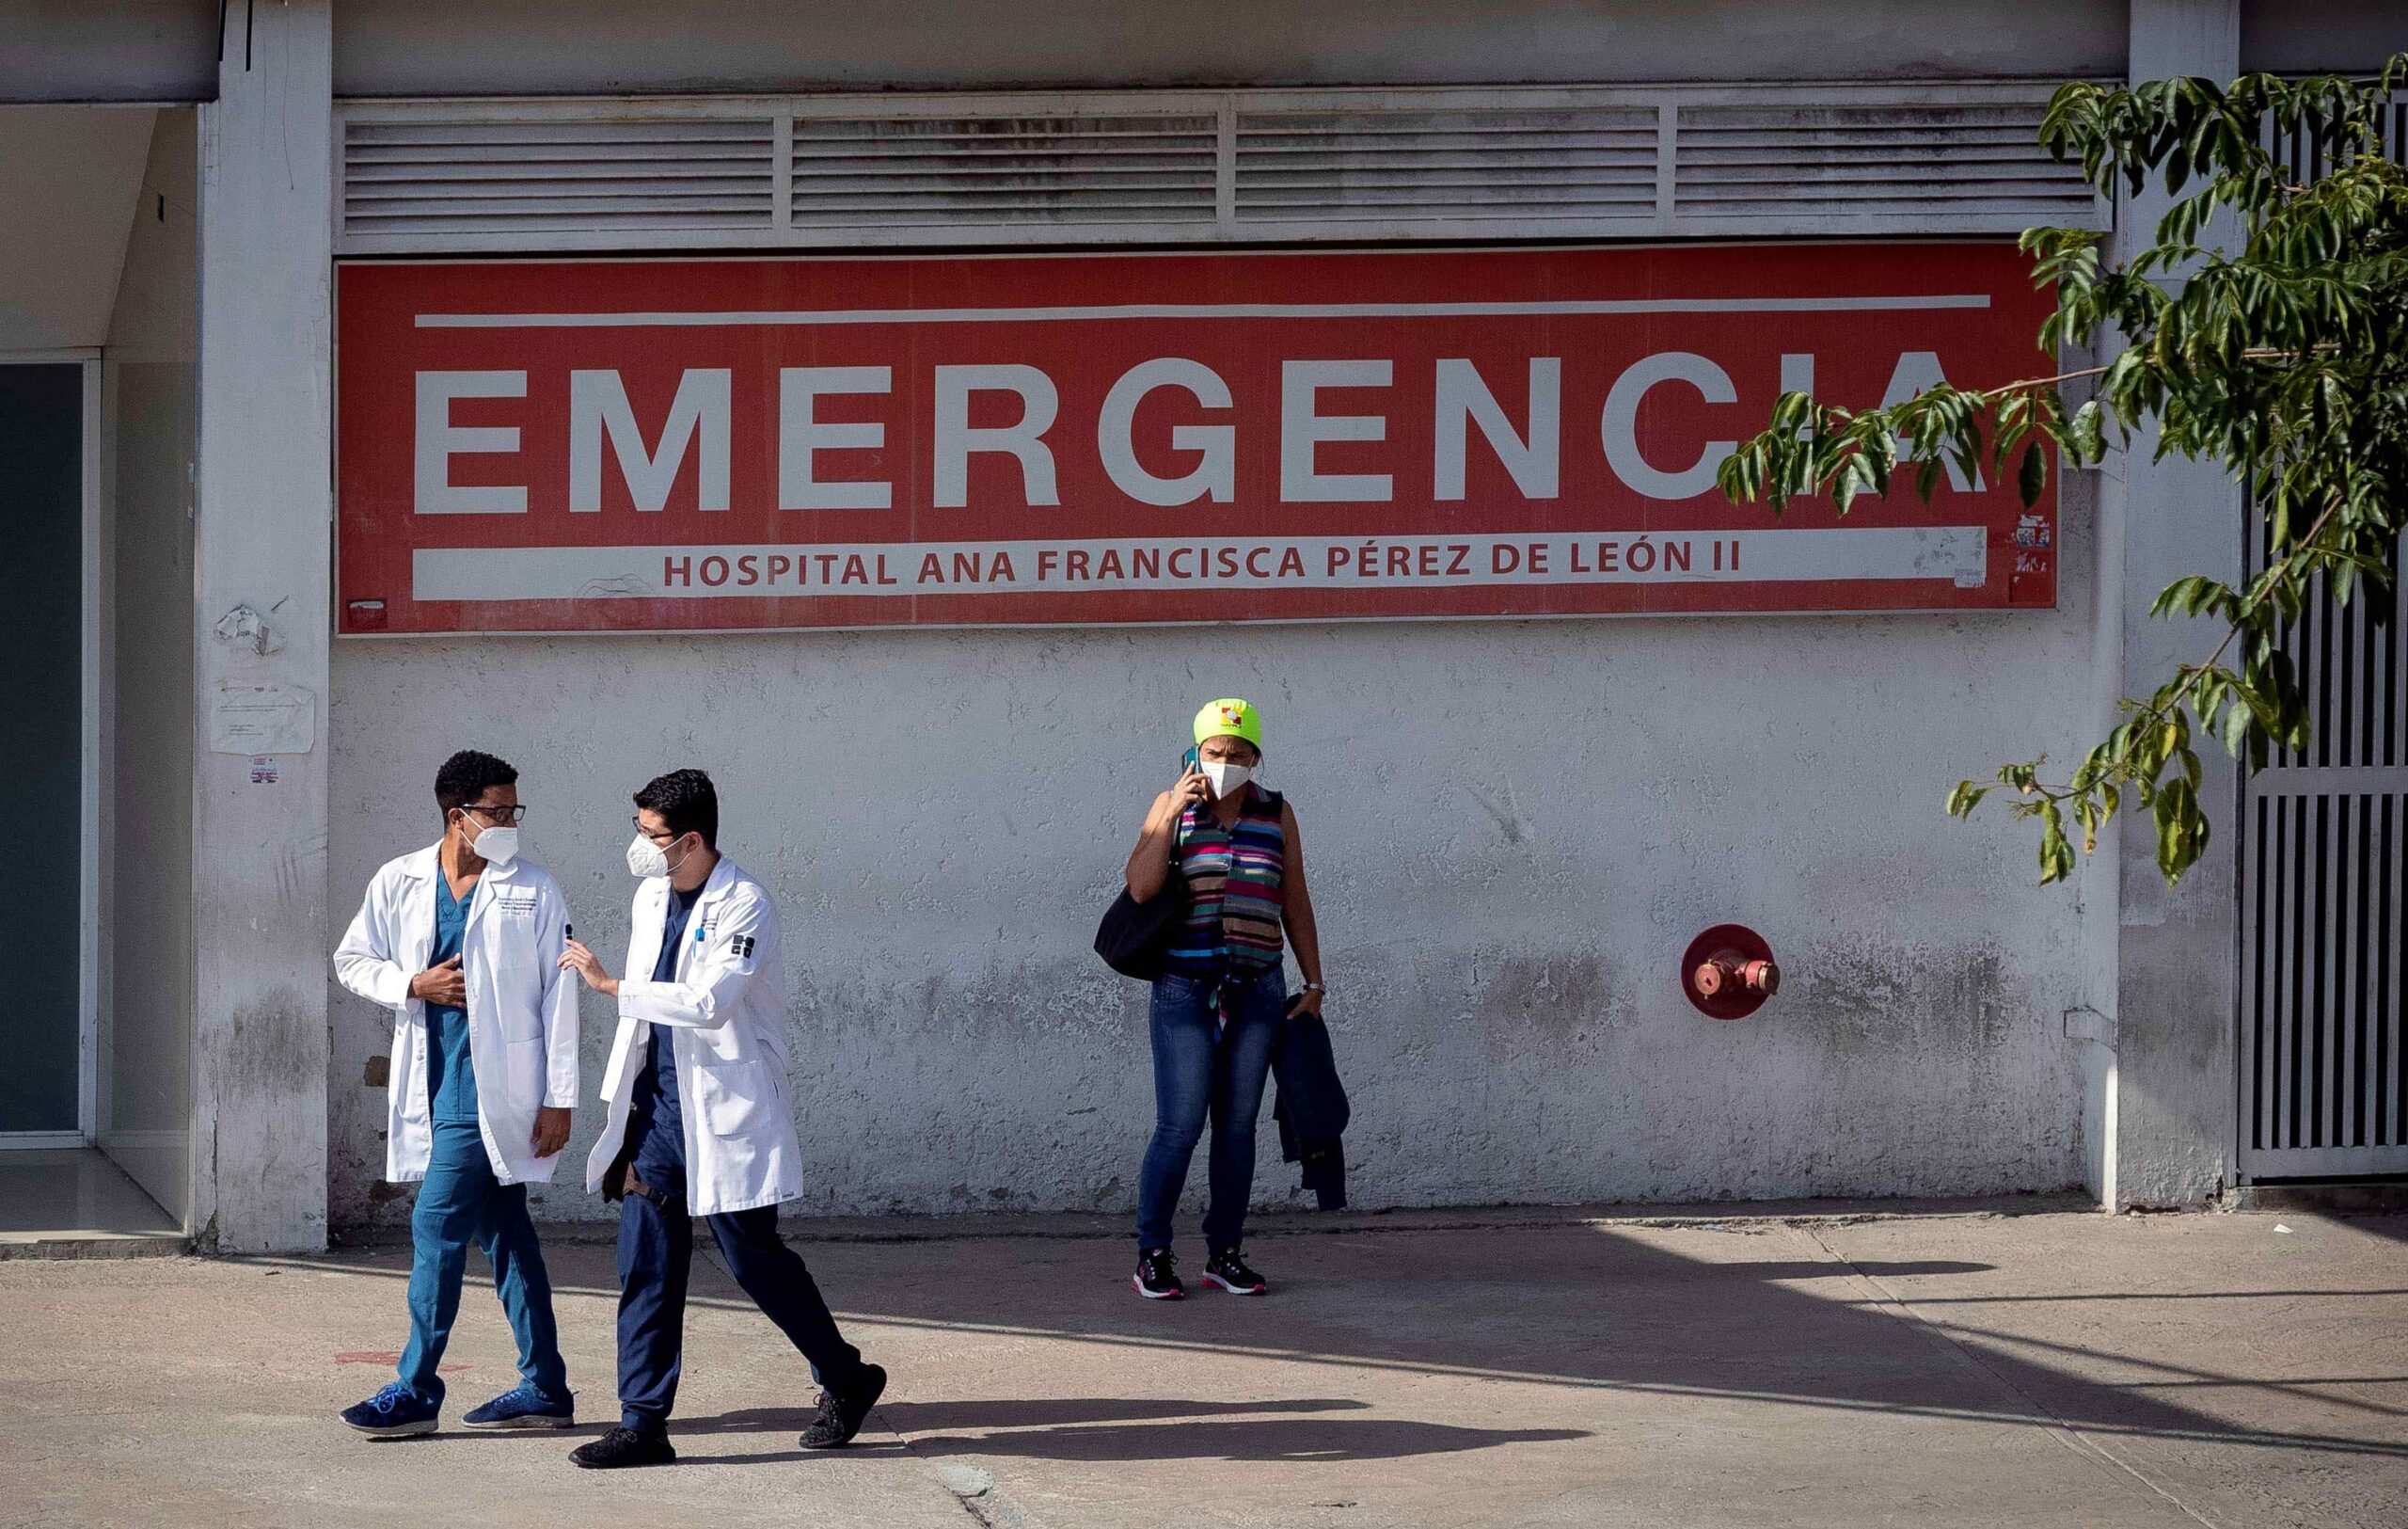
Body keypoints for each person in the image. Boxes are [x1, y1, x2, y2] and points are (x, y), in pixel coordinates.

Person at [558, 768, 887, 1469]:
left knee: (754, 1259)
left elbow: (709, 1002)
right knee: (644, 1264)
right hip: (657, 1112)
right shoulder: (651, 896)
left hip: (724, 1110)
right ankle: (643, 1423)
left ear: (693, 839)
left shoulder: (747, 904)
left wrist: (615, 986)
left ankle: (847, 1376)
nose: (639, 846)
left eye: (651, 835)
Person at [331, 749, 579, 1436]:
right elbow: (352, 958)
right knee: (506, 1236)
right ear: (457, 815)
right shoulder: (400, 878)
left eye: (514, 810)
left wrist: (560, 1097)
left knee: (434, 1225)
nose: (509, 823)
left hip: (495, 1092)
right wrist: (414, 983)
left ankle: (415, 1388)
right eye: (497, 811)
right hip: (435, 1081)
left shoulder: (533, 887)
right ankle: (546, 1385)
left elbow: (561, 998)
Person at [1120, 698, 1327, 1299]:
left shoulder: (1276, 812)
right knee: (1179, 1126)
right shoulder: (1172, 807)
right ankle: (1153, 1253)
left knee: (1237, 1128)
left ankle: (1225, 1252)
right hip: (1184, 990)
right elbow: (1140, 887)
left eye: (1239, 753)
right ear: (1195, 752)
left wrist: (1313, 984)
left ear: (1256, 757)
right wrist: (1170, 815)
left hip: (1258, 989)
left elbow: (1295, 898)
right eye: (1215, 751)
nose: (1227, 761)